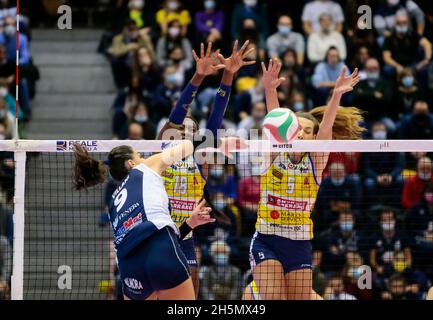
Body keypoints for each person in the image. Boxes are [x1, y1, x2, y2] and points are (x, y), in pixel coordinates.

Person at [72, 135, 239, 300]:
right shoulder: (146, 167)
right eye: (140, 156)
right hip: (159, 250)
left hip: (129, 266)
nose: (144, 157)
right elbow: (189, 145)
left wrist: (189, 223)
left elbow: (142, 236)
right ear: (131, 163)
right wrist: (219, 142)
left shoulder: (114, 203)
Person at [249, 58, 362, 300]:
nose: (300, 132)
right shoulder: (274, 153)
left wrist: (336, 96)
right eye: (296, 127)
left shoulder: (316, 160)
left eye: (307, 130)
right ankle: (253, 291)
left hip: (299, 243)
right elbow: (274, 118)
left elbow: (326, 130)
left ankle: (251, 292)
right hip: (267, 239)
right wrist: (270, 89)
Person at [156, 40, 254, 297]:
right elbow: (178, 115)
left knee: (191, 292)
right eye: (182, 128)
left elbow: (216, 118)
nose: (186, 130)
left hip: (185, 234)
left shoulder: (200, 157)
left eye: (192, 129)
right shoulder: (163, 150)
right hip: (158, 230)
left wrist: (228, 75)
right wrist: (198, 77)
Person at [382, 10, 432, 81]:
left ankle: (422, 91)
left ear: (407, 23)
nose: (402, 25)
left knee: (424, 69)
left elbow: (427, 44)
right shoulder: (390, 38)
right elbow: (386, 57)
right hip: (397, 65)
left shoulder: (412, 34)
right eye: (399, 23)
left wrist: (426, 60)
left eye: (404, 22)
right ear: (395, 24)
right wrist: (397, 66)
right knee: (387, 69)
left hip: (413, 64)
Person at [352, 58, 393, 129]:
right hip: (363, 117)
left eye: (375, 68)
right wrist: (375, 95)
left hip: (380, 117)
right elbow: (356, 97)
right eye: (369, 68)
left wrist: (365, 94)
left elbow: (387, 98)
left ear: (379, 69)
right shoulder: (359, 83)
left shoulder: (385, 83)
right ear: (365, 69)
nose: (372, 70)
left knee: (392, 127)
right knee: (353, 127)